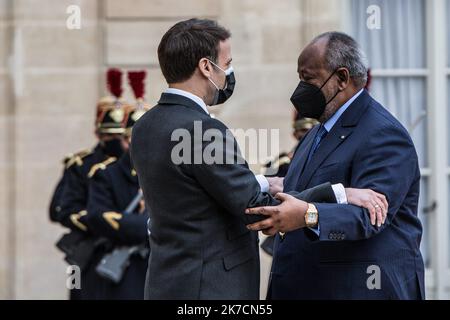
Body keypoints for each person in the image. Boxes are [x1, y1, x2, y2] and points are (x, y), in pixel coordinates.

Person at [131, 19, 385, 300]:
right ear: (206, 67)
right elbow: (258, 210)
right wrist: (340, 193)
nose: (228, 72)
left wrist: (263, 181)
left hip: (166, 284)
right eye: (226, 63)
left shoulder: (146, 125)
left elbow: (192, 188)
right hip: (212, 289)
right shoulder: (202, 130)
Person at [246, 32, 424, 300]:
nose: (300, 89)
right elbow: (299, 191)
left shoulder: (384, 133)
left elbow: (371, 216)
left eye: (308, 79)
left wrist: (309, 214)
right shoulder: (316, 133)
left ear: (341, 78)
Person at [55, 68, 129, 299]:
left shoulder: (134, 166)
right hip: (94, 247)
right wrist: (102, 222)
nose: (116, 142)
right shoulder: (81, 165)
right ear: (98, 134)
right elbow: (61, 210)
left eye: (121, 137)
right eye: (110, 137)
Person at [86, 70, 151, 299]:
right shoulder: (106, 175)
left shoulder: (166, 173)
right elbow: (99, 216)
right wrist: (149, 226)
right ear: (125, 140)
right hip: (126, 272)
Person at [260, 115, 318, 255]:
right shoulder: (279, 162)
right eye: (303, 130)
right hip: (288, 226)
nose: (307, 134)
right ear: (295, 133)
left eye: (312, 130)